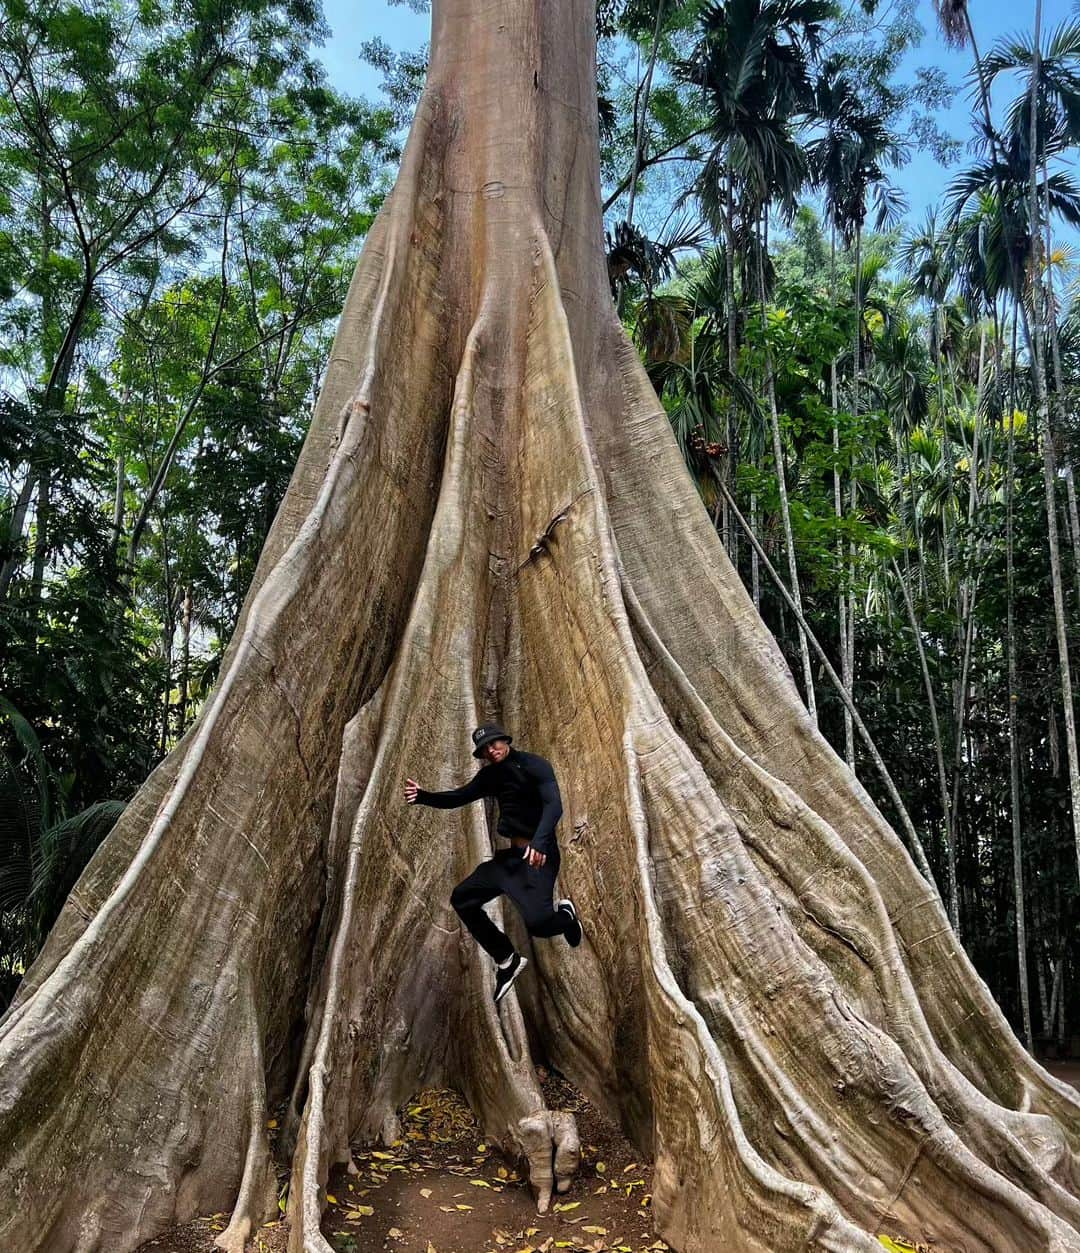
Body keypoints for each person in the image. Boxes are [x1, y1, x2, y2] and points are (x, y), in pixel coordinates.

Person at [405, 722, 583, 1004]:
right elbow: (459, 797)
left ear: (505, 739)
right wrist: (424, 797)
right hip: (510, 860)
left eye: (495, 743)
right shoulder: (491, 777)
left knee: (538, 925)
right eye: (486, 748)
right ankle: (506, 960)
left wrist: (539, 842)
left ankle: (566, 916)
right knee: (462, 898)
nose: (492, 750)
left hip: (540, 857)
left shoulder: (535, 765)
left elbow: (554, 805)